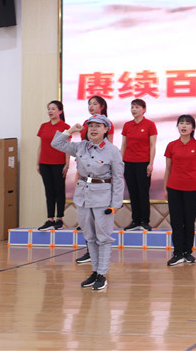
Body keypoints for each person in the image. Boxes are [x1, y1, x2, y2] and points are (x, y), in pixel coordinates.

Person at [51, 114, 123, 291]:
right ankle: (95, 271)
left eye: (98, 126)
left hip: (103, 198)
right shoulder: (82, 146)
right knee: (89, 236)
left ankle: (102, 274)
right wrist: (70, 130)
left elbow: (118, 179)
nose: (93, 129)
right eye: (90, 126)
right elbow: (56, 144)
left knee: (103, 237)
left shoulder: (112, 151)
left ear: (106, 129)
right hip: (83, 196)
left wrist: (115, 204)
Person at [74, 95, 115, 265]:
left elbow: (107, 148)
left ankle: (101, 270)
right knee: (87, 226)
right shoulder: (86, 124)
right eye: (89, 104)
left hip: (100, 180)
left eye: (94, 104)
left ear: (102, 106)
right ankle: (91, 256)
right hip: (85, 171)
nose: (91, 106)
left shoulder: (106, 125)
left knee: (101, 229)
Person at [164, 115, 196, 266]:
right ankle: (177, 253)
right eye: (181, 123)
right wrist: (166, 188)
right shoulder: (171, 145)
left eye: (187, 123)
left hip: (192, 188)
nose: (184, 126)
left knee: (189, 220)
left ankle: (188, 252)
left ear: (193, 128)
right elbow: (168, 169)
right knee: (176, 221)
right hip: (174, 187)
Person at [121, 99, 157, 232]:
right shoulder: (127, 125)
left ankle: (144, 221)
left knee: (143, 192)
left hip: (143, 162)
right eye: (132, 107)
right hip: (129, 162)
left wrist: (151, 163)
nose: (134, 110)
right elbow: (124, 145)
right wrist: (120, 162)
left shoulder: (150, 125)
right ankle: (135, 220)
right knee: (133, 192)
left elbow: (152, 145)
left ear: (144, 109)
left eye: (137, 107)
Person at [36, 101, 70, 231]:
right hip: (44, 163)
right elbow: (41, 146)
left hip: (59, 164)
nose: (50, 111)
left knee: (59, 191)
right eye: (49, 109)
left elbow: (68, 147)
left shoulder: (65, 127)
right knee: (49, 191)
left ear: (60, 111)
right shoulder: (43, 126)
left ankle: (59, 219)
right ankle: (50, 219)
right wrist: (38, 163)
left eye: (53, 109)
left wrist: (67, 164)